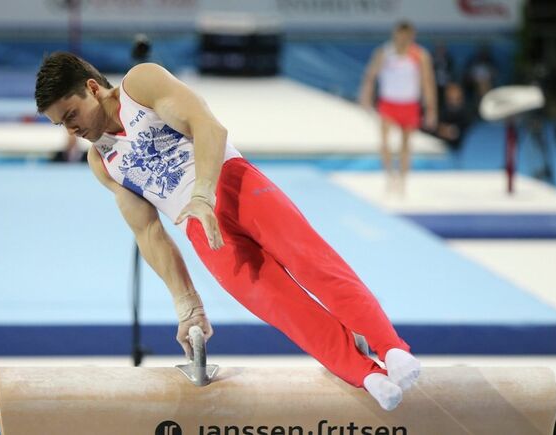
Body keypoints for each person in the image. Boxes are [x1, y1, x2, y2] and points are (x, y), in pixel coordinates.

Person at [35, 52, 421, 411]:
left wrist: (202, 194)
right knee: (283, 308)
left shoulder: (141, 84)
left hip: (234, 186)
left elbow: (208, 127)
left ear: (91, 88)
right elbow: (148, 232)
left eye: (70, 115)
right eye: (60, 125)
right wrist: (188, 305)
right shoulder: (102, 161)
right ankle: (364, 374)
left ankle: (389, 347)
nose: (71, 131)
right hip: (202, 232)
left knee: (313, 264)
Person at [360, 21, 437, 196]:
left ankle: (402, 180)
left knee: (406, 145)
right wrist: (365, 96)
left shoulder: (419, 55)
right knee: (385, 142)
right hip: (388, 103)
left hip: (410, 103)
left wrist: (431, 109)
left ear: (411, 36)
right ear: (395, 35)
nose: (402, 39)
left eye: (406, 36)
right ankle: (389, 175)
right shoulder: (384, 53)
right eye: (400, 35)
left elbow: (427, 82)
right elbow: (371, 76)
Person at [435, 82, 470, 165]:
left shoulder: (468, 113)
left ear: (461, 97)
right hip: (437, 148)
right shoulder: (441, 111)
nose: (453, 101)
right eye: (450, 98)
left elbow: (460, 130)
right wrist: (439, 129)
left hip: (456, 152)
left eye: (456, 98)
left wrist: (451, 131)